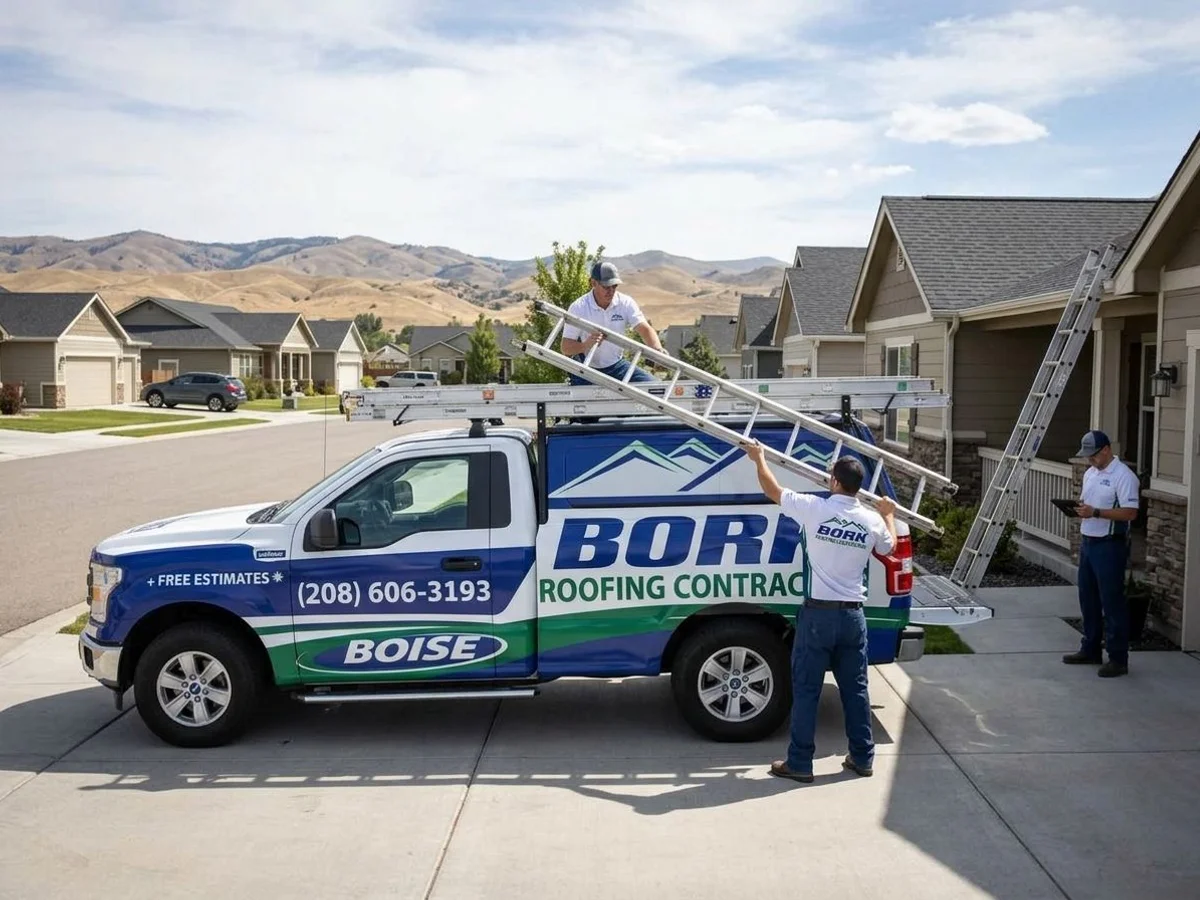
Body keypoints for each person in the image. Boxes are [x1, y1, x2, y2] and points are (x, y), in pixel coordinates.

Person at [744, 440, 897, 783]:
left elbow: (773, 489)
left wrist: (759, 458)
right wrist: (888, 514)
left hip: (818, 617)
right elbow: (889, 546)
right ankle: (862, 757)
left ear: (835, 482)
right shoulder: (871, 521)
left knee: (807, 688)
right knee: (855, 689)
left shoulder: (815, 508)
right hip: (852, 618)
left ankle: (800, 763)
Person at [1062, 430, 1140, 677]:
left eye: (1093, 455)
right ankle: (1091, 648)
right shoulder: (1090, 473)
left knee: (1112, 601)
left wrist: (1096, 513)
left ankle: (1118, 658)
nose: (1090, 460)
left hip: (1109, 544)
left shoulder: (1123, 476)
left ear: (1106, 449)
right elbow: (1088, 505)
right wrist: (1077, 510)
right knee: (1088, 598)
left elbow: (1130, 513)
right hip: (1089, 542)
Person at [561, 261, 663, 385]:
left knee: (654, 387)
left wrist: (657, 351)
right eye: (606, 286)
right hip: (586, 368)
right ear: (593, 283)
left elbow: (644, 329)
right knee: (584, 400)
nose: (611, 291)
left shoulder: (625, 303)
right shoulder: (579, 307)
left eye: (614, 286)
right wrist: (585, 345)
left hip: (616, 366)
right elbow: (565, 348)